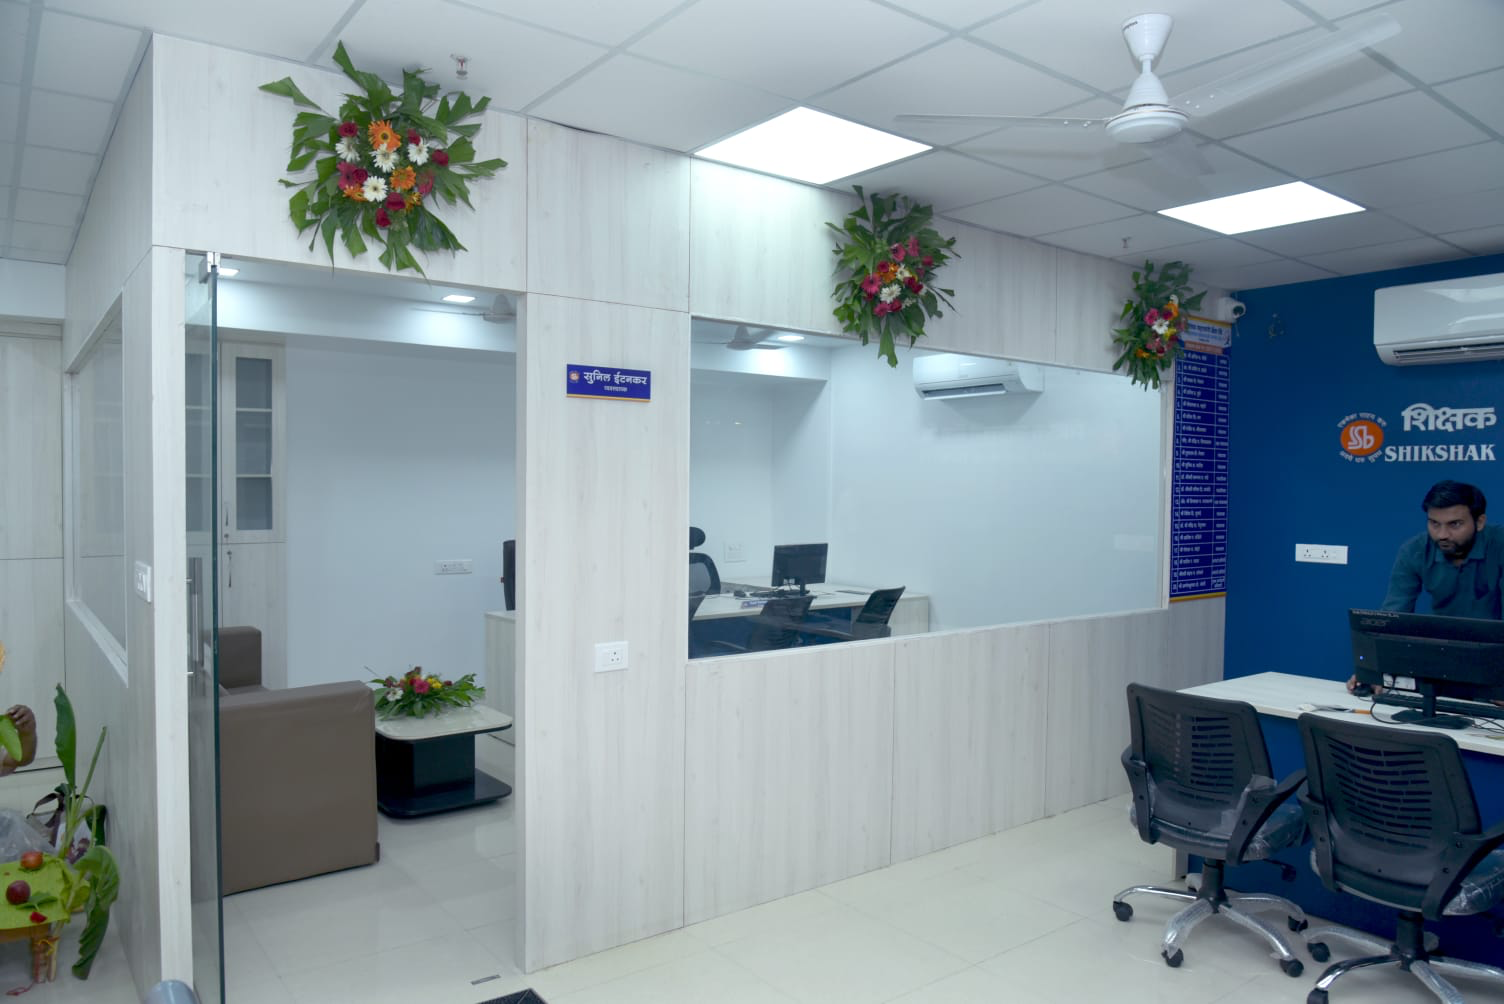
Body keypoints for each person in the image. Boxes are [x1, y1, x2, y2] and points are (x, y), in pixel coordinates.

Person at [1349, 480, 1504, 694]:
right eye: (1434, 523)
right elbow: (1393, 618)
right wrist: (1376, 670)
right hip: (1440, 659)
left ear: (1479, 522)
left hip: (1495, 659)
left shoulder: (1500, 545)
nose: (1442, 534)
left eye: (1455, 524)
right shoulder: (1414, 551)